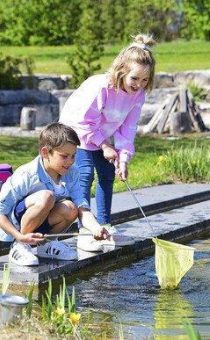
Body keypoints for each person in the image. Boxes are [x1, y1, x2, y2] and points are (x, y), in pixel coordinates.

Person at [59, 34, 156, 250]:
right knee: (84, 175)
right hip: (78, 131)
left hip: (103, 135)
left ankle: (104, 225)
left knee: (107, 174)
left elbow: (127, 128)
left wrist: (123, 158)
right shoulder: (100, 87)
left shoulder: (137, 95)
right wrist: (103, 145)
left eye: (144, 80)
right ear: (121, 71)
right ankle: (85, 229)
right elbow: (85, 121)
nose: (139, 84)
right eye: (134, 79)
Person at [0, 122, 110, 266]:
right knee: (47, 196)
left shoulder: (72, 172)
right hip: (13, 227)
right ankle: (20, 247)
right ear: (45, 152)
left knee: (71, 208)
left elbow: (82, 206)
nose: (70, 162)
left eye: (73, 156)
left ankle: (46, 245)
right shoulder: (27, 174)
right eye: (64, 156)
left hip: (41, 220)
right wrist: (19, 236)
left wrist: (96, 227)